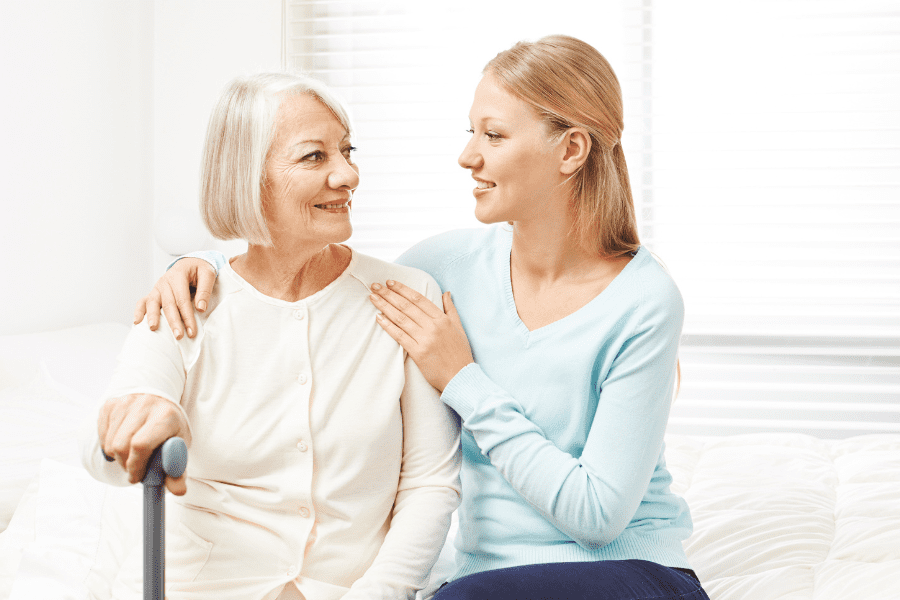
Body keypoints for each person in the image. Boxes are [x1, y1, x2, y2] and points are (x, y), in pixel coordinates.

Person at [138, 36, 711, 600]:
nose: (468, 156)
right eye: (472, 133)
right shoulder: (445, 268)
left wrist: (462, 380)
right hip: (481, 580)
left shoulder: (644, 300)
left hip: (635, 573)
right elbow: (321, 275)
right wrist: (203, 265)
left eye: (494, 135)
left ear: (570, 151)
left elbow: (598, 514)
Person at [81, 72, 461, 600]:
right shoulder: (187, 300)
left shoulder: (403, 297)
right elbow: (95, 456)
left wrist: (378, 594)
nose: (347, 174)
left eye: (347, 151)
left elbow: (429, 484)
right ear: (248, 175)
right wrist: (143, 425)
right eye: (314, 157)